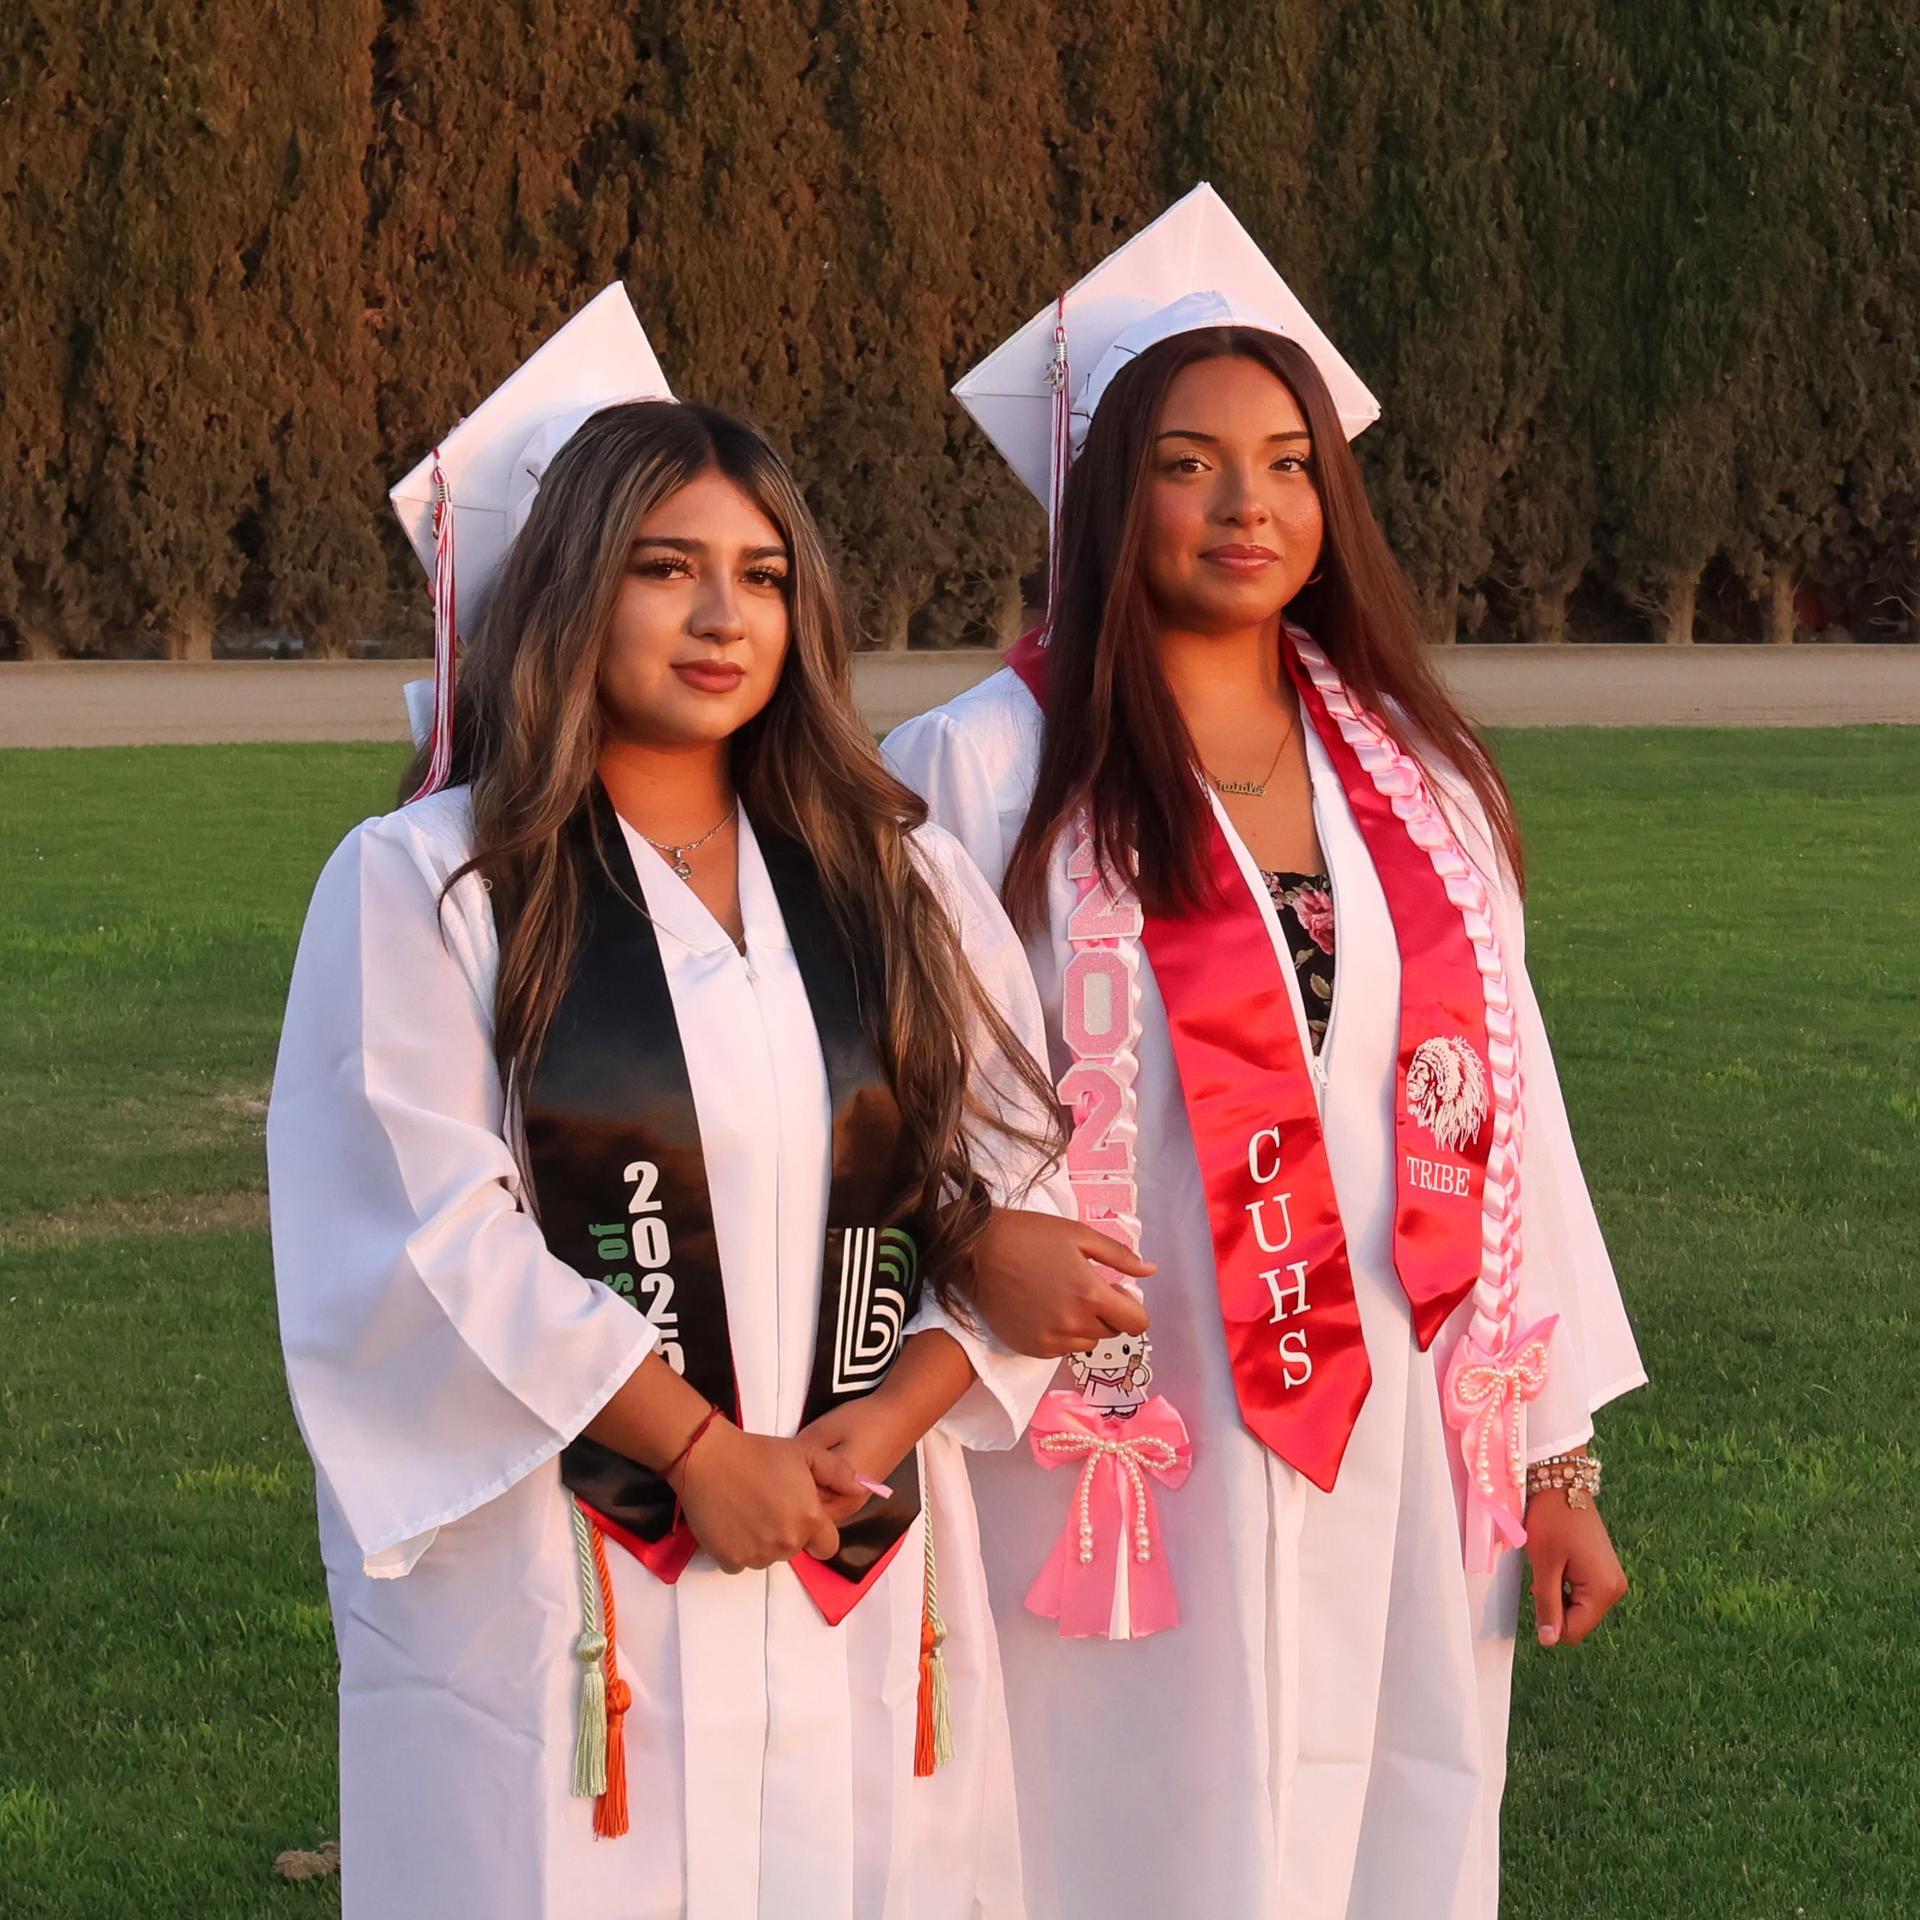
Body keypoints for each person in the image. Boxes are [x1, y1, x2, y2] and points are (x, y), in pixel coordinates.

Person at [268, 286, 1079, 1919]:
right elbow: (434, 1241)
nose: (724, 617)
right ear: (570, 593)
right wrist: (697, 1448)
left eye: (762, 577)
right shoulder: (432, 885)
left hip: (858, 1536)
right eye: (667, 568)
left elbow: (1002, 1172)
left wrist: (893, 1416)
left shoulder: (890, 866)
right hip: (583, 1563)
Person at [885, 185, 1646, 1920]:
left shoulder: (1414, 775)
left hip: (1402, 1419)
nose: (1251, 502)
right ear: (1102, 490)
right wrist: (965, 1233)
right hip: (1125, 1441)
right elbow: (884, 1079)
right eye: (1190, 461)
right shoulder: (987, 766)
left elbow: (1514, 1120)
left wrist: (1557, 1461)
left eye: (1292, 459)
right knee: (1121, 1827)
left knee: (1399, 1806)